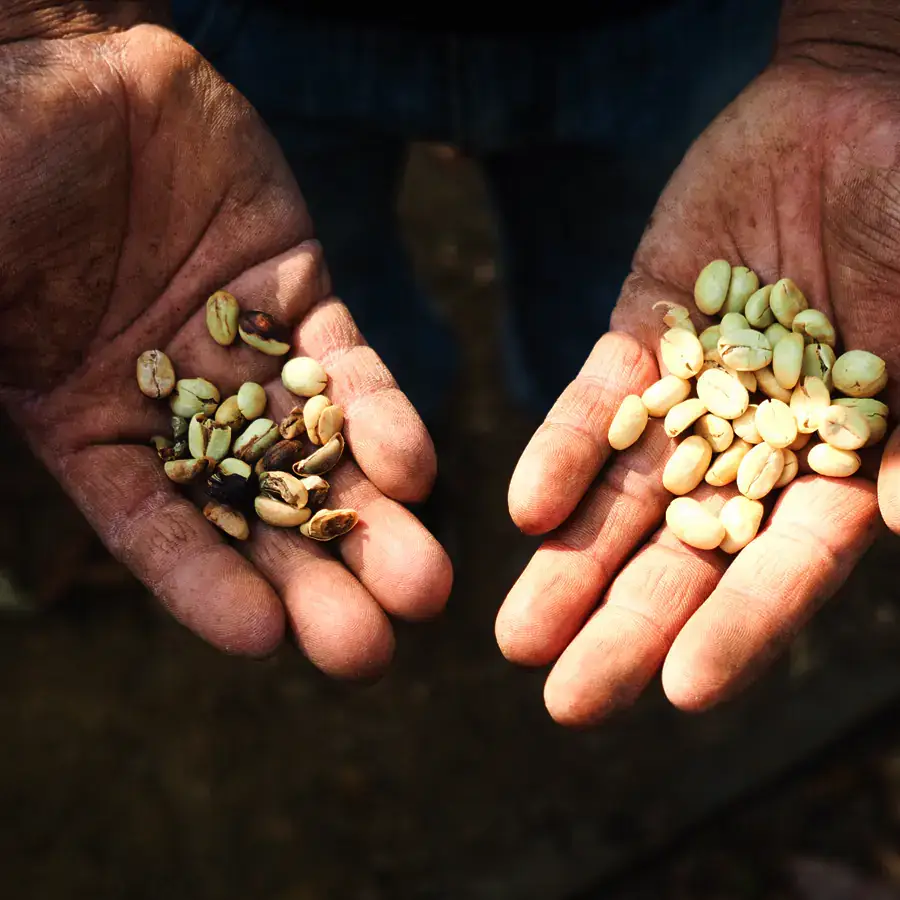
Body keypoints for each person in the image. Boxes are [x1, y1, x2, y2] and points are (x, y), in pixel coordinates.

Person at [1, 1, 899, 726]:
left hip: (667, 22)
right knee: (322, 293)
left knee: (598, 306)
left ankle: (539, 448)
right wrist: (34, 27)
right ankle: (421, 475)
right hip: (262, 27)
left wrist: (863, 40)